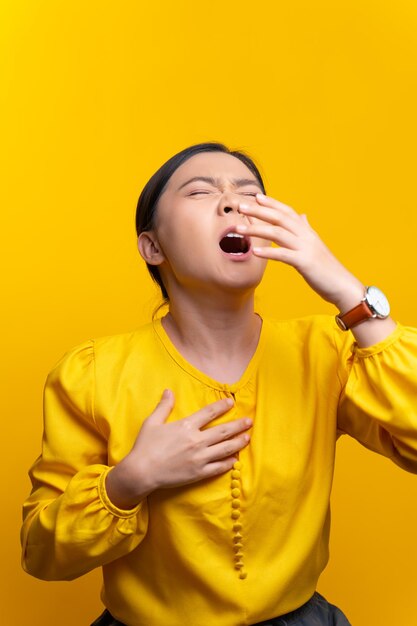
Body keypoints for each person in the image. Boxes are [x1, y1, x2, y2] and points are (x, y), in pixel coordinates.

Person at [21, 142, 417, 626]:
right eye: (201, 191)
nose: (233, 202)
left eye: (249, 193)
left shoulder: (327, 351)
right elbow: (41, 554)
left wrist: (345, 289)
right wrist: (130, 480)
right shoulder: (91, 373)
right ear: (153, 247)